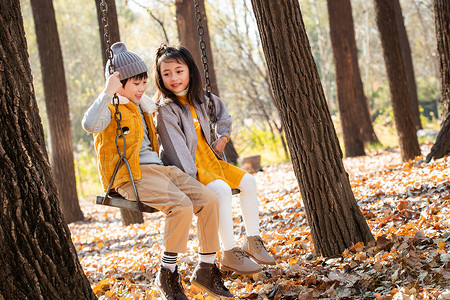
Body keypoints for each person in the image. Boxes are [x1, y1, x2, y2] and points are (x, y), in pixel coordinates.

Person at [82, 42, 233, 300]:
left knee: (209, 199)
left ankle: (206, 268)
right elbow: (89, 124)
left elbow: (153, 104)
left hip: (160, 169)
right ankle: (167, 272)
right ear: (118, 84)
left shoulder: (143, 104)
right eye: (135, 84)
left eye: (144, 83)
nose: (142, 89)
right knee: (181, 206)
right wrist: (108, 91)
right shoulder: (109, 108)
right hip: (132, 175)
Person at [153, 44, 276, 275]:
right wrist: (191, 182)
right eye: (166, 73)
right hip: (190, 169)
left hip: (211, 160)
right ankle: (229, 251)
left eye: (179, 71)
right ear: (159, 77)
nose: (174, 78)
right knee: (221, 190)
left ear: (190, 70)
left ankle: (252, 239)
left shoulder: (200, 98)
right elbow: (176, 150)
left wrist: (224, 136)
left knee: (249, 182)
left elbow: (223, 113)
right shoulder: (166, 110)